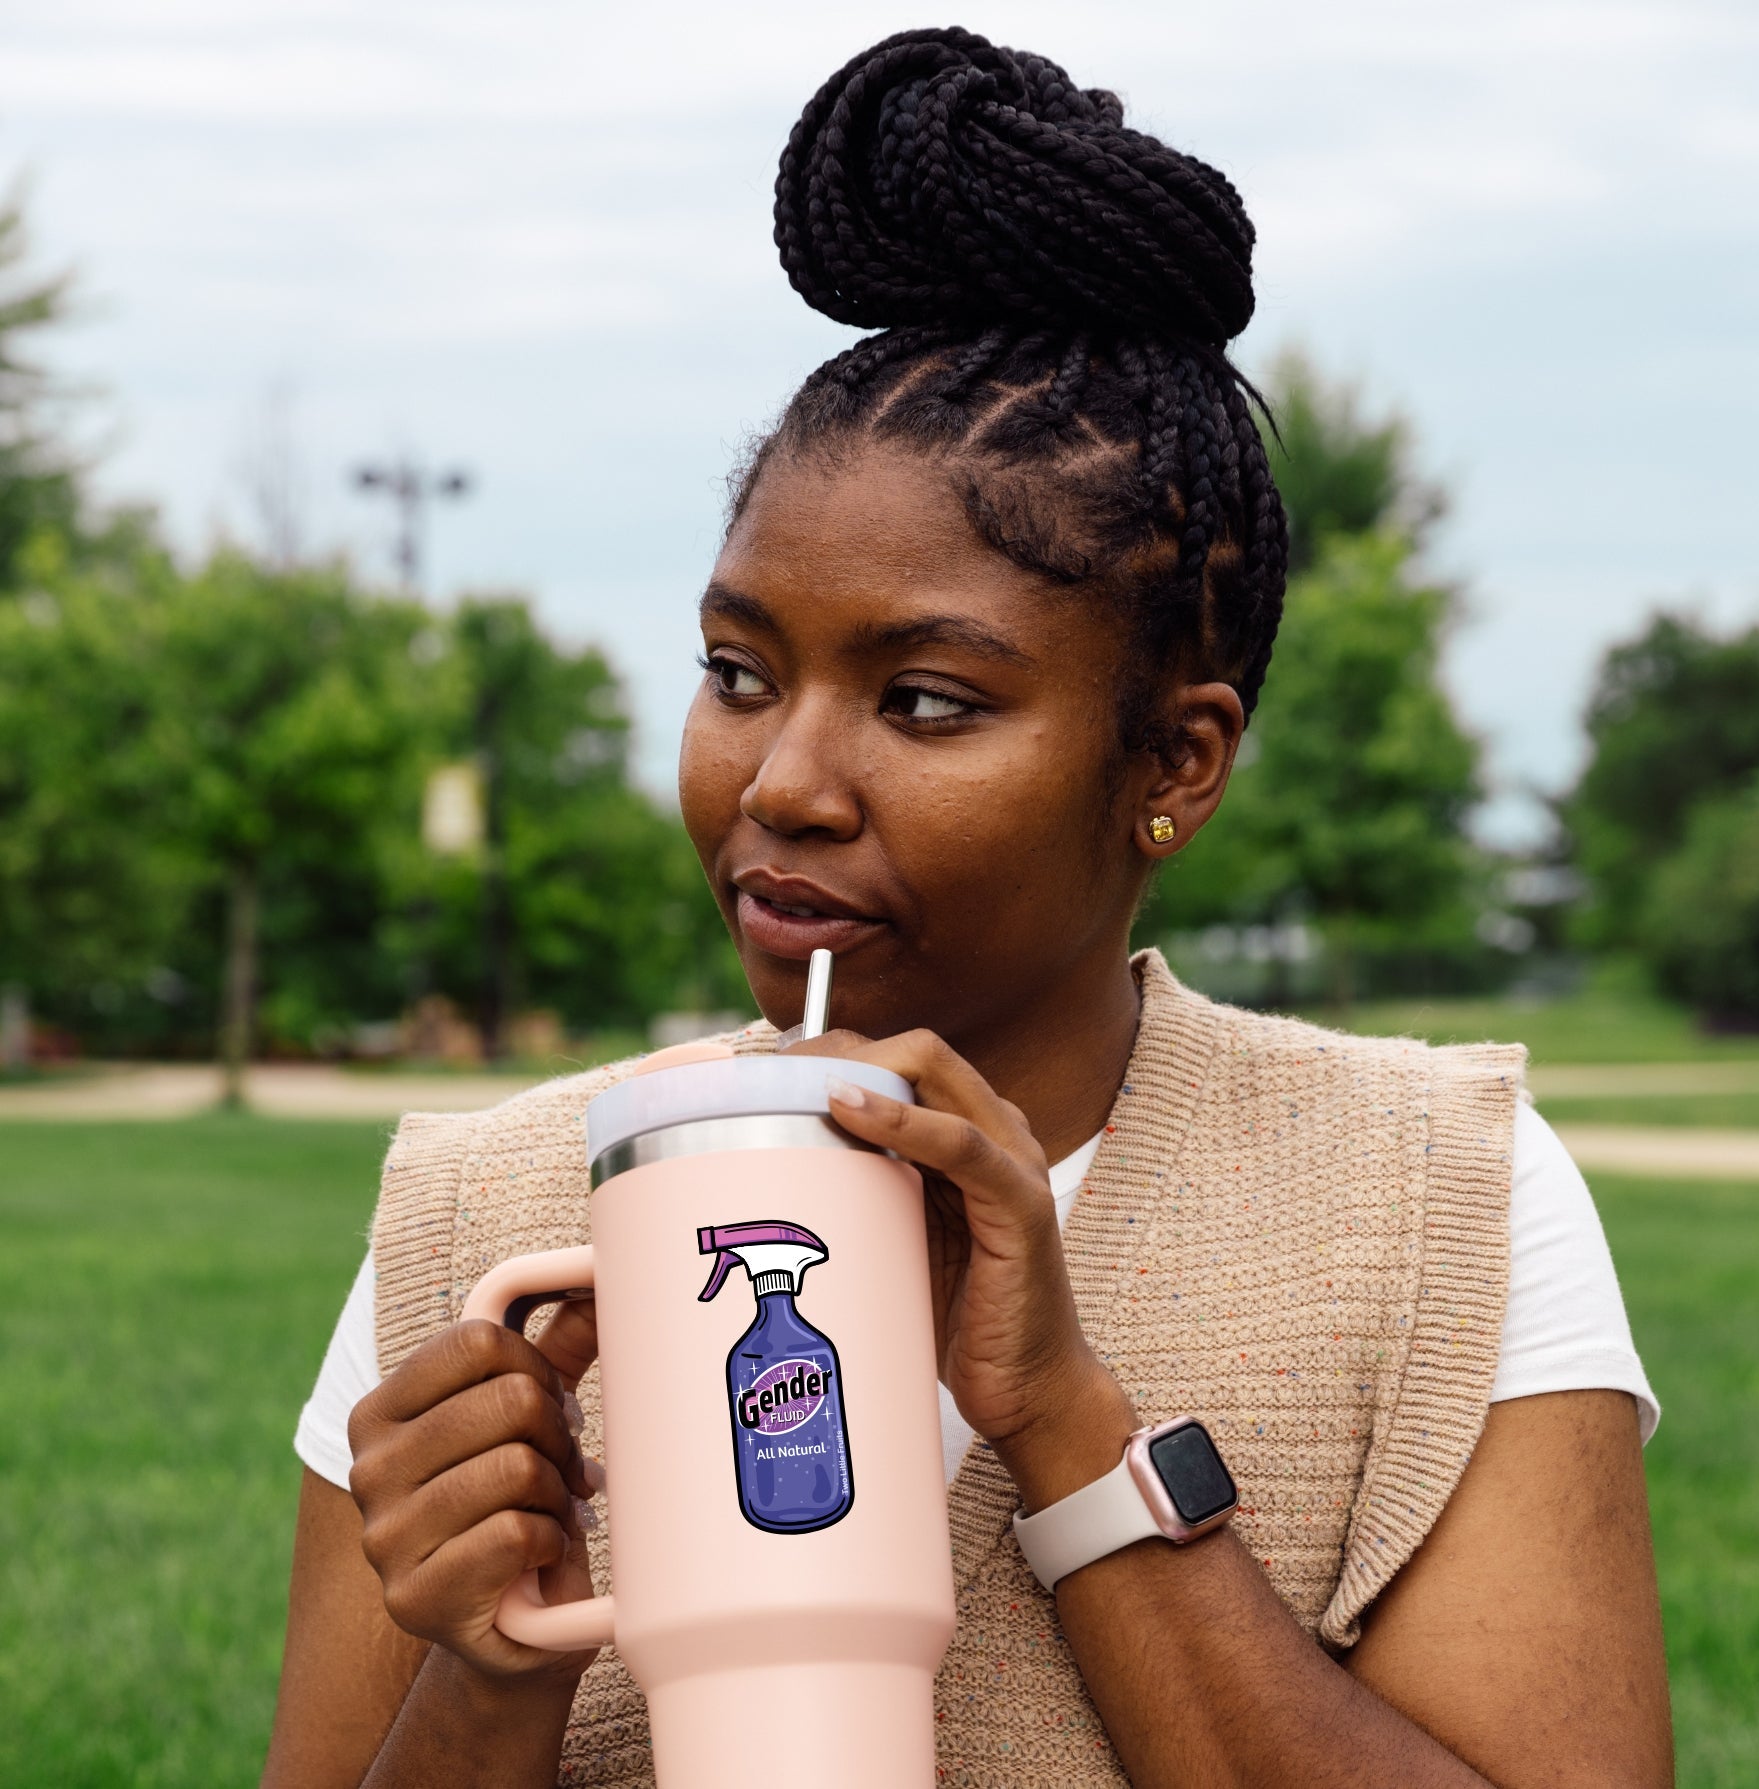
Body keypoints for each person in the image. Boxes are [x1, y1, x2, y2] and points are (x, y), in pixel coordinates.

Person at [263, 28, 1671, 1788]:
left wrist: (1071, 1435)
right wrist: (488, 1666)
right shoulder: (481, 1231)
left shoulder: (1434, 1203)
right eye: (737, 669)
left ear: (1175, 759)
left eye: (926, 699)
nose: (783, 779)